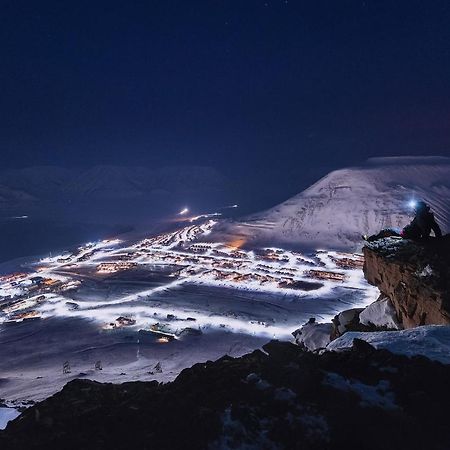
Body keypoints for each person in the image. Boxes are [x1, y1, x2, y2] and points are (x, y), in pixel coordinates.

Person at [364, 200, 442, 242]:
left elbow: (424, 230)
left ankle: (370, 239)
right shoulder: (428, 216)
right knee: (391, 230)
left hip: (408, 234)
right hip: (409, 233)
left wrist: (422, 241)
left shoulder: (420, 216)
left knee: (387, 231)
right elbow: (436, 228)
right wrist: (439, 238)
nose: (414, 210)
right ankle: (371, 238)